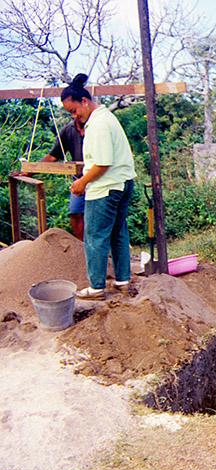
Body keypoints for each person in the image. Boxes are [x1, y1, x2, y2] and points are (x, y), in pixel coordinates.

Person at [61, 73, 137, 300]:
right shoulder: (107, 118)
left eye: (74, 111)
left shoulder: (98, 124)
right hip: (122, 183)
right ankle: (123, 280)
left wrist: (82, 182)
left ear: (84, 101)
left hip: (105, 188)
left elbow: (102, 163)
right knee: (117, 231)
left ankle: (96, 287)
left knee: (94, 235)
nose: (75, 117)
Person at [42, 119, 85, 240]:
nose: (75, 115)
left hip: (98, 179)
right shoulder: (68, 130)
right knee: (75, 212)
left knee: (97, 218)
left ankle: (100, 252)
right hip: (79, 179)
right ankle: (81, 247)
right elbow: (52, 156)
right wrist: (28, 171)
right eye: (72, 112)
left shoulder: (97, 126)